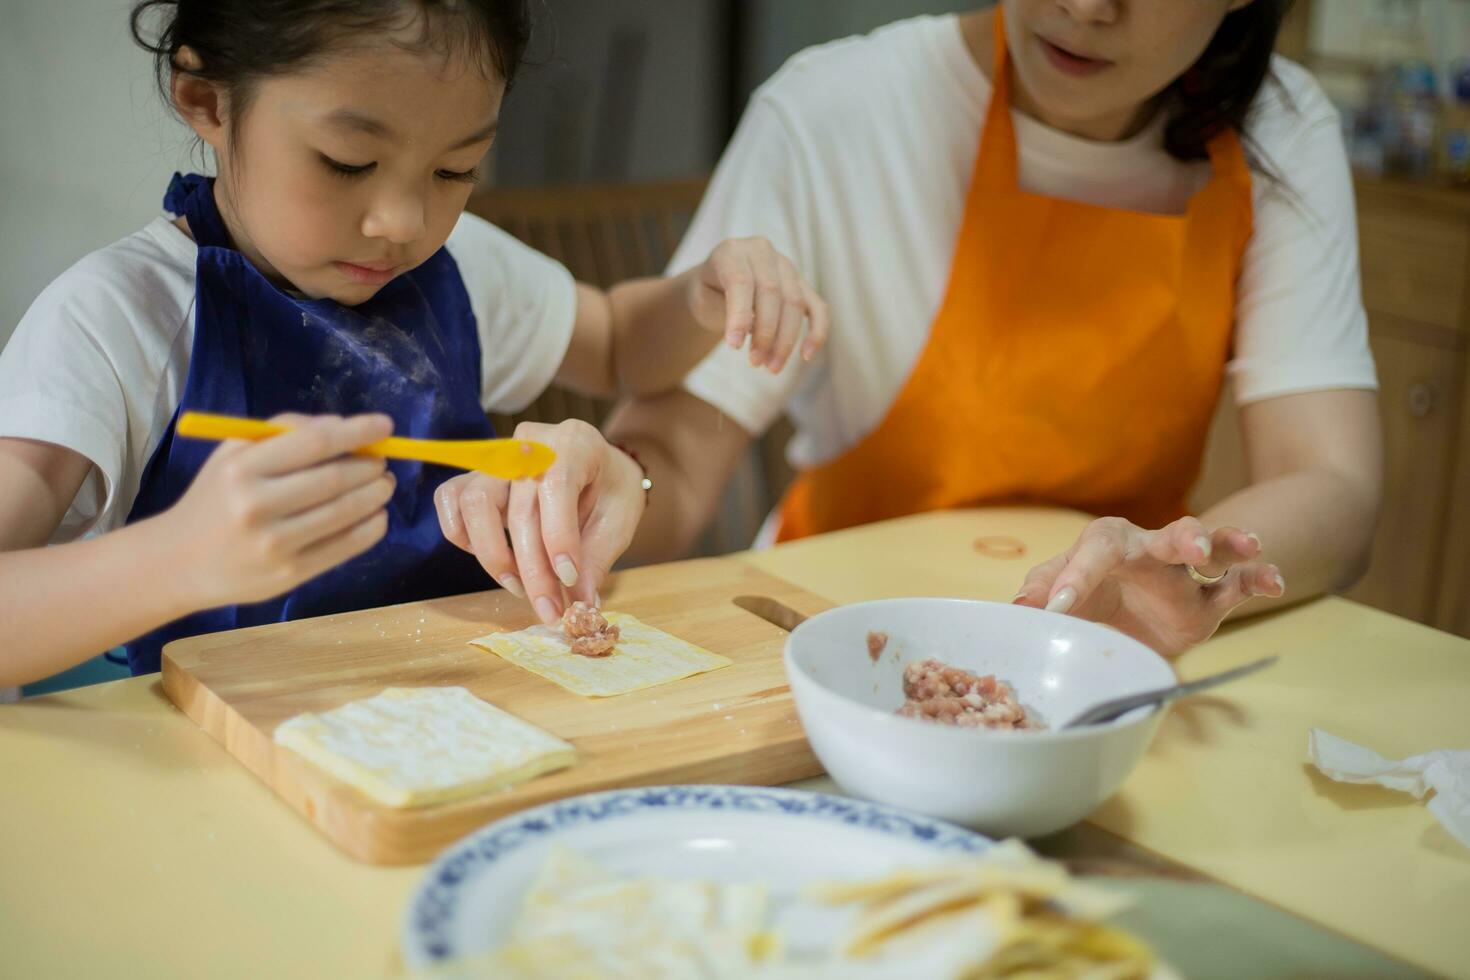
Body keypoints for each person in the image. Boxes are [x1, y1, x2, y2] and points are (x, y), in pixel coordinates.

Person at [0, 0, 825, 686]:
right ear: (207, 99)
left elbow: (621, 347)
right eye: (348, 162)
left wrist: (703, 297)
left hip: (458, 717)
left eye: (454, 170)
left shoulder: (461, 268)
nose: (402, 223)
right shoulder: (116, 319)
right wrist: (173, 560)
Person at [602, 0, 1382, 655]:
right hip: (834, 635)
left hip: (1099, 653)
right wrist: (599, 489)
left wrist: (1176, 571)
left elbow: (1333, 484)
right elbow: (671, 462)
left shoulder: (1278, 128)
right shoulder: (837, 111)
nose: (1084, 7)